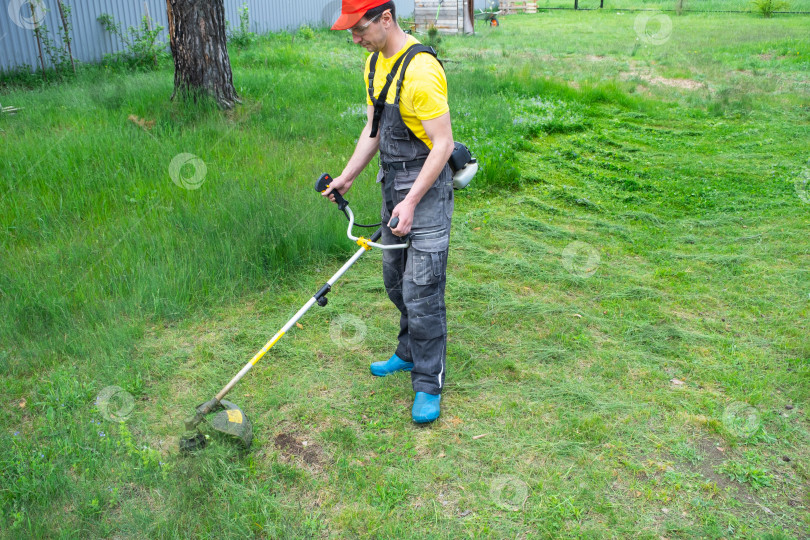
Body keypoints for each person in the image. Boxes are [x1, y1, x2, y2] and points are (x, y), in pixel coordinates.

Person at [324, 0, 455, 423]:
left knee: (423, 289)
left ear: (385, 18)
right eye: (350, 31)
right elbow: (374, 130)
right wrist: (346, 177)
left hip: (427, 189)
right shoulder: (374, 66)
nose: (354, 38)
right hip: (391, 185)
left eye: (359, 29)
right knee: (395, 280)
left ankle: (427, 381)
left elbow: (443, 145)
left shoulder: (421, 71)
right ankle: (407, 349)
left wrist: (413, 200)